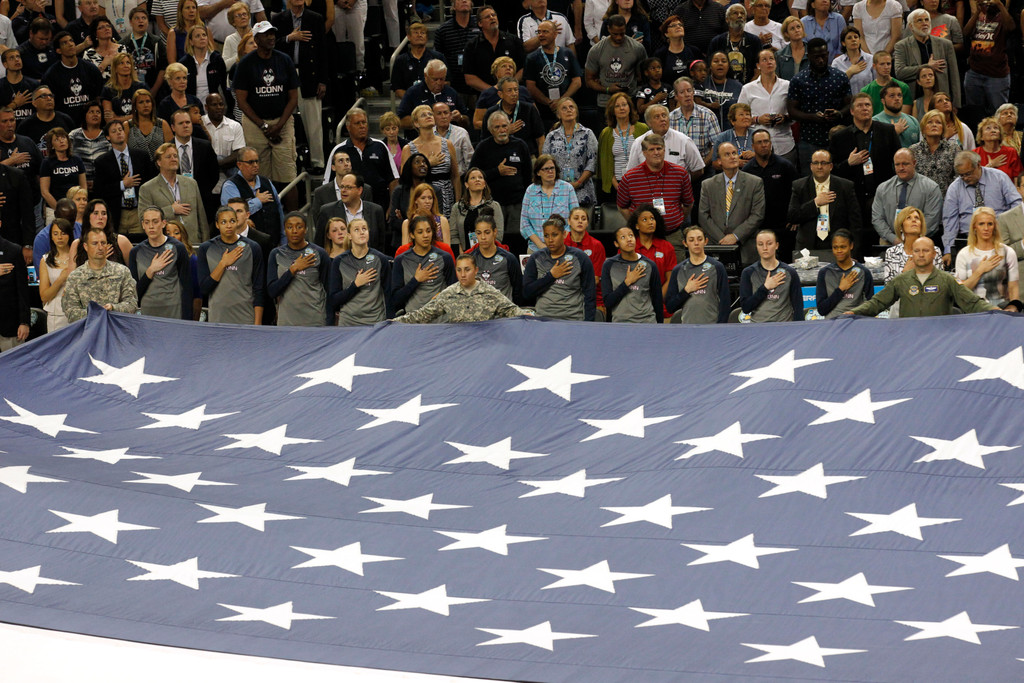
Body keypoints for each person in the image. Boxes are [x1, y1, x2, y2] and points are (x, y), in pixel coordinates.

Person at [849, 236, 995, 316]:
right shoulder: (901, 280)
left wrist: (995, 311)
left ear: (934, 254)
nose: (921, 254)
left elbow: (972, 303)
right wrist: (853, 312)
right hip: (909, 338)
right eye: (917, 251)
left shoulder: (947, 280)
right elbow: (877, 303)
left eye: (925, 250)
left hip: (940, 338)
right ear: (912, 254)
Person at [829, 93, 901, 254]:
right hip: (853, 199)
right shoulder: (840, 137)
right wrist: (849, 163)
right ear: (852, 111)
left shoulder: (887, 131)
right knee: (857, 244)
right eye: (860, 105)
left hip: (882, 196)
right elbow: (831, 171)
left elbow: (898, 162)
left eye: (868, 105)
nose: (865, 108)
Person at [232, 21, 298, 185]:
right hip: (255, 125)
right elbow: (241, 101)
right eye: (266, 34)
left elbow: (293, 98)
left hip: (282, 122)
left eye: (272, 34)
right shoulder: (245, 64)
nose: (271, 37)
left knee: (288, 174)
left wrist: (279, 125)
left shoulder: (284, 60)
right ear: (257, 39)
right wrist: (262, 125)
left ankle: (292, 211)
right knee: (258, 176)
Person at [617, 134, 694, 262]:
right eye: (652, 149)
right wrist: (639, 223)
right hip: (643, 240)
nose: (656, 153)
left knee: (677, 277)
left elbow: (688, 204)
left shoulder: (680, 173)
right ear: (644, 153)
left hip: (673, 237)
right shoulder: (630, 178)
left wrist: (675, 219)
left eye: (659, 149)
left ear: (665, 150)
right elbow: (622, 206)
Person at [394, 251, 529, 323]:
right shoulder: (449, 294)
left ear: (476, 270)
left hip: (485, 347)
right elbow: (422, 315)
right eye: (459, 270)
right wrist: (393, 323)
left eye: (467, 269)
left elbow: (513, 311)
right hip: (458, 349)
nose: (463, 274)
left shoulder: (490, 293)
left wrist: (533, 317)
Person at [942, 150, 1021, 263]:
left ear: (978, 165)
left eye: (968, 173)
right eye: (961, 175)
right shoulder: (955, 188)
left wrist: (1012, 231)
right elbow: (950, 220)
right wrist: (948, 250)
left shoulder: (999, 178)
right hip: (969, 241)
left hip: (1001, 237)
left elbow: (1016, 204)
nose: (965, 178)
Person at [787, 37, 851, 175]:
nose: (821, 60)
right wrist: (812, 117)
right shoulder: (798, 80)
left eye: (823, 56)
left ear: (828, 54)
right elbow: (792, 110)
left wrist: (838, 113)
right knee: (809, 181)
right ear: (808, 56)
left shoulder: (840, 77)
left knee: (838, 179)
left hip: (837, 138)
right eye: (816, 57)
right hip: (809, 138)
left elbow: (849, 105)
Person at [701, 143, 767, 266]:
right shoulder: (708, 185)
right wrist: (723, 239)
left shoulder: (755, 182)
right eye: (727, 154)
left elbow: (757, 215)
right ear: (719, 161)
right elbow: (703, 215)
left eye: (734, 153)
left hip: (746, 248)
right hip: (717, 246)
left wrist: (736, 236)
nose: (733, 157)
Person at [197, 204, 264, 324]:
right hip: (218, 318)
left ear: (237, 222)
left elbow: (259, 288)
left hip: (246, 316)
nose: (228, 225)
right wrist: (223, 264)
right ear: (217, 225)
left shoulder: (253, 247)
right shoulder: (206, 248)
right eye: (223, 222)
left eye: (232, 221)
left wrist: (257, 324)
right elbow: (204, 288)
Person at [469, 111, 531, 236]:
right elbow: (472, 176)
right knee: (494, 237)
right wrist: (497, 172)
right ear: (491, 130)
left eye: (504, 126)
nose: (502, 130)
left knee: (516, 238)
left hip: (517, 203)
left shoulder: (520, 145)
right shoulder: (483, 148)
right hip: (491, 203)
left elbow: (528, 175)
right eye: (497, 127)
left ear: (509, 127)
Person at [523, 216, 596, 320]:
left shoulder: (580, 258)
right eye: (546, 236)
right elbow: (527, 293)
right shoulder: (536, 258)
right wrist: (551, 276)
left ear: (564, 234)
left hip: (572, 319)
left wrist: (588, 325)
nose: (550, 240)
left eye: (555, 235)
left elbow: (589, 295)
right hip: (543, 319)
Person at [325, 107, 398, 210]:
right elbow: (328, 184)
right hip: (348, 208)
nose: (362, 126)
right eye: (357, 123)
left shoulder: (380, 146)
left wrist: (392, 207)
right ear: (348, 127)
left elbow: (393, 180)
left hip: (380, 206)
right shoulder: (339, 150)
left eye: (364, 122)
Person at [789, 148, 861, 251]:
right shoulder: (799, 186)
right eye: (816, 163)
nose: (819, 167)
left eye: (823, 163)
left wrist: (854, 251)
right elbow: (792, 216)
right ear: (811, 166)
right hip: (808, 245)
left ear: (831, 166)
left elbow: (855, 223)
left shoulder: (845, 186)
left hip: (838, 245)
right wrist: (815, 203)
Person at [93, 119, 156, 237]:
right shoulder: (102, 162)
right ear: (107, 137)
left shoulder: (142, 156)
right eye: (114, 131)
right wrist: (123, 184)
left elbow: (151, 182)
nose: (119, 133)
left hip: (138, 212)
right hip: (117, 213)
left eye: (120, 130)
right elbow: (99, 191)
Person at [62, 226, 138, 323]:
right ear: (86, 247)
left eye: (103, 243)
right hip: (88, 332)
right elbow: (70, 312)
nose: (100, 247)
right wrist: (95, 313)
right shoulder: (75, 277)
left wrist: (113, 308)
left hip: (117, 331)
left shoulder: (122, 272)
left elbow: (132, 304)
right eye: (95, 243)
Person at [128, 205, 192, 319]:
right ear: (143, 225)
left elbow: (186, 287)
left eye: (155, 221)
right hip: (148, 312)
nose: (151, 226)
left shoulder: (178, 248)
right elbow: (134, 292)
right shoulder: (136, 252)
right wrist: (150, 271)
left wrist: (187, 321)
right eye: (147, 222)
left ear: (163, 223)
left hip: (174, 311)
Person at [266, 211, 329, 326]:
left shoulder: (319, 253)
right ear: (285, 230)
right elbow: (272, 291)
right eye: (290, 227)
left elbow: (328, 289)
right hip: (287, 322)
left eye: (299, 227)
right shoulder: (276, 254)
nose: (294, 231)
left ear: (305, 229)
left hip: (315, 320)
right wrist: (292, 270)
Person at [138, 142, 208, 245]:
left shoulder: (191, 183)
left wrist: (205, 244)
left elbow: (201, 218)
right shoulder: (147, 188)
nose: (173, 159)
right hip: (165, 245)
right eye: (168, 157)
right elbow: (142, 218)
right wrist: (171, 210)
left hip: (193, 242)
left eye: (175, 156)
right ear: (159, 162)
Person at [744, 129, 798, 260]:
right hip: (759, 228)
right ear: (753, 146)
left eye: (766, 141)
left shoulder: (785, 166)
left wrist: (796, 218)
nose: (764, 145)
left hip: (784, 226)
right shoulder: (747, 170)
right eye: (759, 142)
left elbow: (797, 191)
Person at [871, 148, 943, 245]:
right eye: (897, 164)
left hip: (920, 241)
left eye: (905, 164)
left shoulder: (931, 188)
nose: (901, 168)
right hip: (889, 241)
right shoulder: (883, 188)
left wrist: (911, 239)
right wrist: (893, 239)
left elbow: (932, 220)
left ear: (914, 163)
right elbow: (877, 218)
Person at [329, 217, 391, 326]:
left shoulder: (380, 259)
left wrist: (390, 322)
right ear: (349, 235)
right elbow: (334, 300)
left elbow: (388, 295)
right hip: (349, 323)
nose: (361, 232)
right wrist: (356, 285)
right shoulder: (339, 261)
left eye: (364, 229)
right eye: (356, 230)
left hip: (375, 322)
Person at [955, 206, 1019, 310]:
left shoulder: (1007, 252)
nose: (986, 228)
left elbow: (1013, 288)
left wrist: (1012, 310)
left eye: (990, 224)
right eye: (981, 224)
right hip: (974, 311)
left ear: (995, 226)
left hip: (1002, 309)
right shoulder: (964, 254)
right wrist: (979, 271)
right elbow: (960, 292)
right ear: (974, 227)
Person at [401, 105, 460, 218]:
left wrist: (457, 203)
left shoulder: (447, 144)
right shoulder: (408, 148)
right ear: (417, 123)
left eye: (430, 114)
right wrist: (428, 163)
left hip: (446, 197)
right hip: (421, 198)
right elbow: (405, 178)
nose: (428, 116)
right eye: (423, 115)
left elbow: (455, 176)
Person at [894, 9, 961, 108]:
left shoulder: (945, 44)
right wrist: (927, 66)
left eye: (926, 20)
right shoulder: (902, 46)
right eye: (919, 21)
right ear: (911, 26)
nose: (924, 23)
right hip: (915, 101)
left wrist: (955, 104)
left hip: (941, 100)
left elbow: (954, 76)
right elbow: (900, 72)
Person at [391, 213, 456, 315]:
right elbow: (395, 299)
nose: (425, 235)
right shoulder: (401, 260)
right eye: (420, 232)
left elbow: (454, 291)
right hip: (413, 321)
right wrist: (416, 280)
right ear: (412, 234)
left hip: (440, 320)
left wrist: (442, 296)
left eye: (428, 231)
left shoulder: (445, 258)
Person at [738, 49, 794, 164]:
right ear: (758, 65)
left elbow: (795, 112)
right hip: (758, 147)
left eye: (771, 59)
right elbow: (738, 118)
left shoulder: (787, 85)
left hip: (784, 144)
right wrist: (758, 119)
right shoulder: (748, 89)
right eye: (764, 60)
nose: (769, 62)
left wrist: (785, 118)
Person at [665, 224, 729, 323]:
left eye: (699, 239)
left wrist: (720, 328)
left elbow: (725, 302)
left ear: (706, 241)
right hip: (688, 328)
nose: (696, 243)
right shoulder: (678, 270)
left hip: (712, 327)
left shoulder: (717, 267)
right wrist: (686, 290)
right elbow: (670, 307)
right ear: (685, 243)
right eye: (691, 240)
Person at [525, 20, 583, 127]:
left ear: (555, 34)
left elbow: (577, 82)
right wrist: (548, 102)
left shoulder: (567, 53)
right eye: (539, 32)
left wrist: (562, 101)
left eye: (545, 32)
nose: (541, 35)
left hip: (567, 111)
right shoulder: (532, 58)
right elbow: (530, 86)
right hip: (543, 112)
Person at [221, 145, 283, 246]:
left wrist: (283, 239)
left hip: (273, 244)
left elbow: (279, 211)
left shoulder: (266, 182)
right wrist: (258, 201)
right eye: (250, 162)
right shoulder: (230, 186)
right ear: (239, 165)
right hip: (244, 246)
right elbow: (233, 214)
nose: (255, 165)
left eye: (257, 161)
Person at [542, 98, 598, 208]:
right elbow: (545, 163)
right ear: (558, 115)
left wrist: (578, 183)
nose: (569, 110)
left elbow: (593, 163)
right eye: (564, 108)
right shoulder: (551, 136)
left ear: (576, 112)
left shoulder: (587, 133)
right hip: (557, 191)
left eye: (571, 107)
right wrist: (557, 184)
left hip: (583, 192)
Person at [601, 224, 663, 323]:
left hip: (647, 322)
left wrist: (659, 327)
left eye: (631, 235)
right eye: (623, 237)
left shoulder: (650, 265)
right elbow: (608, 302)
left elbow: (657, 301)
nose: (629, 239)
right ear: (616, 244)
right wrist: (627, 282)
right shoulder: (609, 265)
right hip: (620, 324)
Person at [585, 14, 647, 110]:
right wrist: (608, 89)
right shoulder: (596, 50)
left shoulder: (637, 48)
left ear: (625, 28)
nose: (618, 37)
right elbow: (589, 80)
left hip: (630, 101)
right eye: (615, 34)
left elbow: (643, 76)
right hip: (606, 103)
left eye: (621, 33)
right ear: (608, 29)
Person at [740, 229, 803, 322]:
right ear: (756, 246)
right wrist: (765, 288)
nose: (765, 248)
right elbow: (746, 308)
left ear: (776, 245)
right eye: (760, 244)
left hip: (784, 328)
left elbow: (798, 307)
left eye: (769, 243)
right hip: (758, 328)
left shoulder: (790, 272)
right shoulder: (748, 272)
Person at [962, 0, 1013, 115]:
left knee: (999, 113)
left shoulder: (1002, 18)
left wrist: (1000, 5)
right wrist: (977, 12)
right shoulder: (978, 17)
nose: (989, 2)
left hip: (997, 75)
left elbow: (1011, 28)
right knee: (974, 112)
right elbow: (965, 33)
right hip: (974, 72)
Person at [626, 103, 704, 178]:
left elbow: (698, 170)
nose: (662, 119)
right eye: (657, 117)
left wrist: (680, 183)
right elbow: (632, 172)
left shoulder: (684, 141)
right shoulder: (639, 142)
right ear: (649, 123)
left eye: (664, 115)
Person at [314, 173, 386, 254]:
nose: (343, 190)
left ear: (359, 190)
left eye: (348, 187)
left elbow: (381, 244)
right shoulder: (327, 211)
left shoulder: (376, 210)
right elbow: (319, 243)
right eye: (342, 187)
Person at [462, 6, 526, 95]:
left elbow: (523, 69)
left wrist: (510, 87)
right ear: (480, 23)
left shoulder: (513, 41)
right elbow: (470, 78)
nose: (492, 18)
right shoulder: (472, 46)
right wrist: (494, 91)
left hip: (513, 94)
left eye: (493, 15)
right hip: (485, 96)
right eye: (487, 17)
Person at [42, 31, 104, 122]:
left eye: (71, 41)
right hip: (64, 123)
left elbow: (99, 97)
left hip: (89, 122)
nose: (70, 44)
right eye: (64, 43)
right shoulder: (51, 75)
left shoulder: (91, 69)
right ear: (58, 50)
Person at [520, 154, 577, 253]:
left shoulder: (567, 189)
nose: (550, 171)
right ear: (538, 172)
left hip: (562, 248)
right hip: (535, 248)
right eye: (546, 169)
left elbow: (574, 219)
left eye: (552, 168)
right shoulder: (530, 190)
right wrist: (540, 245)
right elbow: (524, 223)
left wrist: (559, 242)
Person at [598, 92, 648, 198]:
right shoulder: (606, 133)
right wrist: (618, 186)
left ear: (630, 107)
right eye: (617, 106)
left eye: (624, 105)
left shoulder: (643, 129)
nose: (622, 108)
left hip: (640, 182)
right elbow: (604, 164)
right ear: (612, 110)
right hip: (616, 184)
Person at [815, 229, 874, 318]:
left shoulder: (864, 273)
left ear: (851, 246)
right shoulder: (825, 273)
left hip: (856, 322)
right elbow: (822, 310)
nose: (839, 251)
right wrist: (840, 289)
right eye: (835, 247)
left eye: (843, 247)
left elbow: (870, 307)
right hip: (832, 324)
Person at [466, 214, 521, 304]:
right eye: (479, 233)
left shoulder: (508, 259)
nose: (483, 237)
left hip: (503, 313)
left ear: (495, 232)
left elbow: (518, 290)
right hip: (478, 313)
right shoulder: (470, 259)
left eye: (487, 232)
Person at [883, 205, 943, 284]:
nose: (914, 220)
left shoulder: (934, 251)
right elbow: (888, 287)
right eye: (909, 218)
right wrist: (905, 273)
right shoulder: (891, 253)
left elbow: (941, 284)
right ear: (901, 227)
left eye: (917, 218)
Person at [668, 76, 720, 168]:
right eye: (682, 92)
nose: (687, 94)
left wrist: (702, 166)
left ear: (693, 92)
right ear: (676, 96)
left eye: (689, 90)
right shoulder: (670, 118)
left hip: (704, 167)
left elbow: (716, 145)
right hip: (676, 168)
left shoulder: (708, 115)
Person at [450, 168, 504, 251]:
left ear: (485, 184)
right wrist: (462, 256)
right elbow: (453, 235)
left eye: (480, 177)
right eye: (473, 178)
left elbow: (498, 234)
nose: (477, 180)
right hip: (464, 254)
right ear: (466, 184)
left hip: (488, 253)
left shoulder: (494, 206)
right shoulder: (457, 207)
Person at [432, 0, 478, 98]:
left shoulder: (480, 26)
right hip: (454, 86)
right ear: (453, 6)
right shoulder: (443, 30)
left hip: (478, 84)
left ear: (471, 4)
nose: (464, 1)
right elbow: (438, 58)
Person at [910, 108, 961, 197]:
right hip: (920, 200)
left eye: (938, 122)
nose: (934, 125)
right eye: (929, 122)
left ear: (943, 127)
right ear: (923, 128)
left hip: (947, 200)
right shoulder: (913, 150)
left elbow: (958, 177)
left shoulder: (954, 149)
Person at [39, 127, 86, 222]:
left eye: (63, 138)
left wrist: (80, 204)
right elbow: (45, 192)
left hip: (76, 209)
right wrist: (60, 210)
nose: (61, 141)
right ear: (52, 145)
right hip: (54, 209)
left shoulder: (77, 160)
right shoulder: (47, 163)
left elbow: (83, 187)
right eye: (57, 139)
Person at [564, 206, 605, 313]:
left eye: (583, 219)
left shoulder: (597, 245)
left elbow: (595, 279)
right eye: (576, 218)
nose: (580, 221)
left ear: (587, 223)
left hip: (592, 297)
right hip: (565, 295)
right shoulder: (561, 244)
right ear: (569, 221)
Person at [473, 56, 530, 131]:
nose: (508, 68)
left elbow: (535, 115)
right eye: (503, 66)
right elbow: (476, 123)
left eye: (511, 67)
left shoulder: (523, 90)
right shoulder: (487, 94)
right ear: (496, 73)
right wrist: (502, 127)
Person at [202, 92, 244, 193]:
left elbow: (239, 153)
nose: (219, 107)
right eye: (214, 105)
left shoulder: (235, 126)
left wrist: (216, 164)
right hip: (205, 176)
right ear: (206, 107)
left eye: (221, 104)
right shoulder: (200, 124)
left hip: (228, 173)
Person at [388, 22, 443, 100]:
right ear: (409, 37)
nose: (419, 35)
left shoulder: (438, 57)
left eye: (422, 33)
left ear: (427, 38)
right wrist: (412, 101)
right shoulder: (400, 60)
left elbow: (446, 81)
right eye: (416, 33)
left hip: (434, 101)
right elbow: (397, 88)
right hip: (410, 104)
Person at [37, 217, 74, 332]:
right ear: (51, 237)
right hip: (56, 314)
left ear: (69, 235)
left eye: (63, 233)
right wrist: (61, 279)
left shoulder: (79, 258)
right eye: (56, 233)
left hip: (77, 312)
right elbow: (44, 296)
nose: (59, 237)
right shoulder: (45, 260)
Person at [707, 5, 760, 83]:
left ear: (745, 19)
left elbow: (759, 70)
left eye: (742, 14)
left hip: (749, 88)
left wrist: (748, 89)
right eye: (735, 13)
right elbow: (710, 68)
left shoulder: (754, 41)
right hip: (723, 88)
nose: (739, 16)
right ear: (727, 19)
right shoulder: (717, 41)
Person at [119, 7, 166, 95]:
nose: (141, 21)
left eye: (144, 18)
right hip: (130, 91)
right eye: (137, 18)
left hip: (154, 90)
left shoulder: (156, 42)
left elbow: (163, 69)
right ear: (130, 22)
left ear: (147, 22)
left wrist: (154, 91)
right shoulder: (123, 44)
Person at [179, 25, 226, 107]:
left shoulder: (216, 59)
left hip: (214, 107)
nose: (202, 38)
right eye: (197, 36)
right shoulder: (184, 63)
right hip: (192, 106)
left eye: (204, 35)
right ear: (191, 42)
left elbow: (223, 86)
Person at [0, 227, 30, 349]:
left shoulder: (13, 250)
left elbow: (22, 290)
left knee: (15, 366)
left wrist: (24, 322)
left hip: (10, 326)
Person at [697, 51, 741, 131]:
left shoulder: (738, 86)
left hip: (731, 133)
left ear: (728, 66)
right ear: (710, 66)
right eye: (716, 61)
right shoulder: (701, 83)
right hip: (704, 131)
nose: (720, 63)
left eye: (724, 61)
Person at [399, 182, 451, 247]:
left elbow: (447, 249)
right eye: (423, 198)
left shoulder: (442, 221)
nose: (427, 201)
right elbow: (405, 249)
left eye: (430, 198)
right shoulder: (407, 223)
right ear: (415, 200)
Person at [861, 50, 910, 116]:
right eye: (882, 64)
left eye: (888, 64)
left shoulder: (903, 87)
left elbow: (905, 116)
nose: (886, 67)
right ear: (874, 66)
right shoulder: (866, 91)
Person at [127, 89, 172, 159]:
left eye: (148, 101)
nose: (145, 105)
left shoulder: (163, 124)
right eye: (141, 102)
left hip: (159, 167)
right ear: (135, 106)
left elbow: (171, 150)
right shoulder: (127, 126)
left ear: (152, 104)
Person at [0, 50, 42, 126]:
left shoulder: (34, 85)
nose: (17, 60)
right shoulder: (1, 86)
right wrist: (15, 104)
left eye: (18, 57)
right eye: (12, 58)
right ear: (5, 64)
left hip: (31, 128)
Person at [101, 53, 145, 123]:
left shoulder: (141, 87)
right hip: (118, 130)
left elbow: (145, 114)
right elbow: (109, 120)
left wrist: (118, 119)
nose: (126, 66)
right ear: (115, 68)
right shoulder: (108, 90)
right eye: (121, 63)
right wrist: (134, 116)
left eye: (128, 63)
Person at [709, 103, 755, 171]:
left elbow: (768, 157)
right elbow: (715, 163)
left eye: (747, 114)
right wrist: (733, 163)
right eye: (741, 115)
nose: (746, 117)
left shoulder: (757, 135)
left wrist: (755, 155)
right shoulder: (723, 137)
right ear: (733, 121)